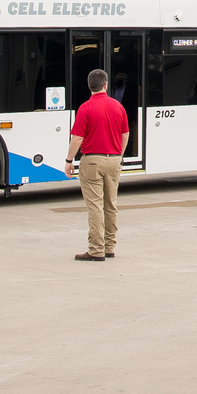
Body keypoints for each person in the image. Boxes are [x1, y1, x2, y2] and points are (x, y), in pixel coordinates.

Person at [66, 68, 128, 260]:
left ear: (89, 86)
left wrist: (69, 161)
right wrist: (119, 155)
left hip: (92, 161)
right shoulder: (118, 107)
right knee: (111, 204)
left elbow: (77, 138)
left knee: (95, 206)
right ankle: (109, 246)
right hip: (114, 159)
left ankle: (96, 249)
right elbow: (125, 134)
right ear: (105, 85)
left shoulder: (85, 108)